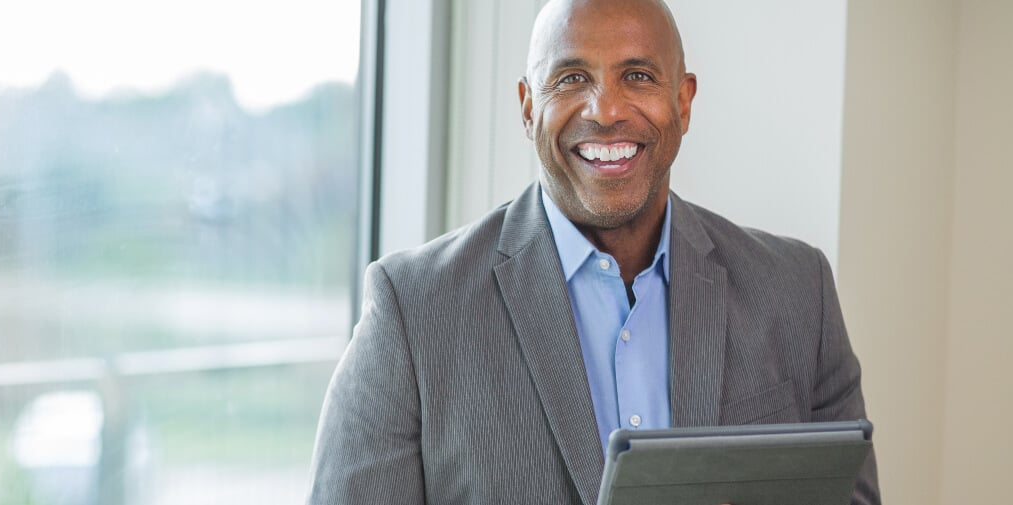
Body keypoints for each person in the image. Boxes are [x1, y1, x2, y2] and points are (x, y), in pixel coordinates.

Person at [306, 0, 880, 503]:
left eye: (637, 75)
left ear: (683, 101)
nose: (605, 110)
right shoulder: (413, 310)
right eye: (572, 78)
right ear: (528, 107)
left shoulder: (798, 293)